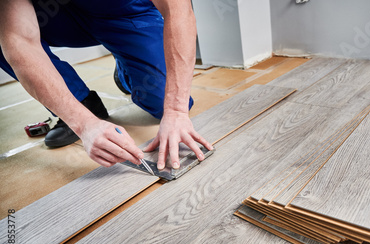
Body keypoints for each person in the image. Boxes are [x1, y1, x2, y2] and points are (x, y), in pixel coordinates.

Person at [0, 0, 212, 170]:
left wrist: (176, 110)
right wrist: (83, 123)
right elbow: (19, 40)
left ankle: (126, 71)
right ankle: (83, 102)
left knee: (160, 100)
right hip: (55, 15)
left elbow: (178, 12)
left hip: (124, 11)